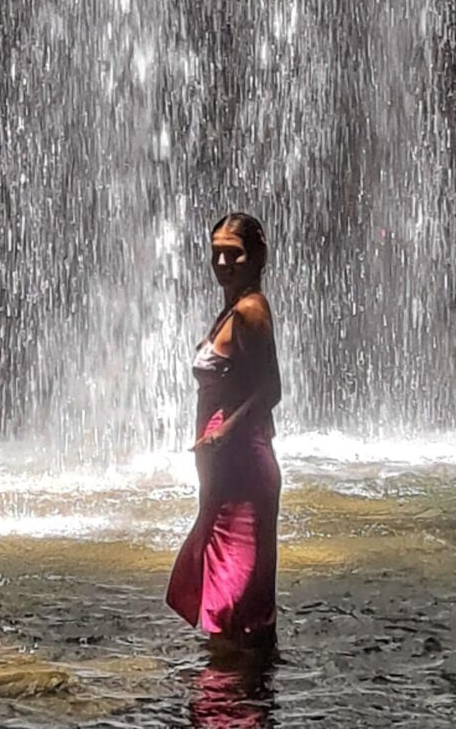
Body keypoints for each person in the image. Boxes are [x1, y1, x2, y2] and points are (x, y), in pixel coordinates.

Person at [166, 210, 282, 647]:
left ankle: (241, 703)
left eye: (232, 255)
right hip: (224, 475)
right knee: (230, 606)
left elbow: (271, 390)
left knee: (240, 608)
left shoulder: (251, 311)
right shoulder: (232, 309)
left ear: (257, 258)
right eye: (216, 255)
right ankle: (233, 698)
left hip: (244, 472)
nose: (221, 264)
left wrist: (223, 434)